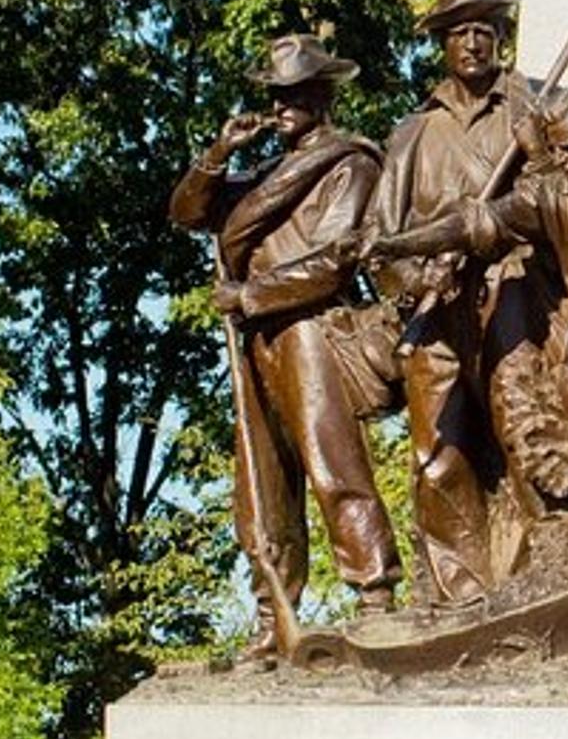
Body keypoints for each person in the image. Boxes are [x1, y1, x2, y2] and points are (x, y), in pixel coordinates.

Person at [367, 87, 568, 542]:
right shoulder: (552, 199)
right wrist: (395, 244)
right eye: (551, 149)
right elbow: (475, 223)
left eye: (567, 148)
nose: (557, 160)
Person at [169, 34, 401, 659]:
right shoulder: (259, 175)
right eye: (277, 94)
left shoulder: (350, 163)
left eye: (297, 93)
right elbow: (188, 210)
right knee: (260, 482)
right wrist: (220, 151)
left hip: (309, 328)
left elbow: (332, 260)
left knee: (334, 466)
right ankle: (275, 610)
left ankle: (375, 591)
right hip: (258, 342)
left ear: (323, 95)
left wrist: (249, 295)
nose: (284, 106)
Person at [368, 0, 545, 610]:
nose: (473, 43)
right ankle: (461, 593)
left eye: (486, 31)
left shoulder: (530, 108)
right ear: (442, 43)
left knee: (522, 429)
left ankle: (533, 574)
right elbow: (378, 239)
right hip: (435, 306)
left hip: (511, 289)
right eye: (460, 32)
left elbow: (552, 194)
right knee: (436, 450)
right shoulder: (413, 134)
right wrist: (416, 277)